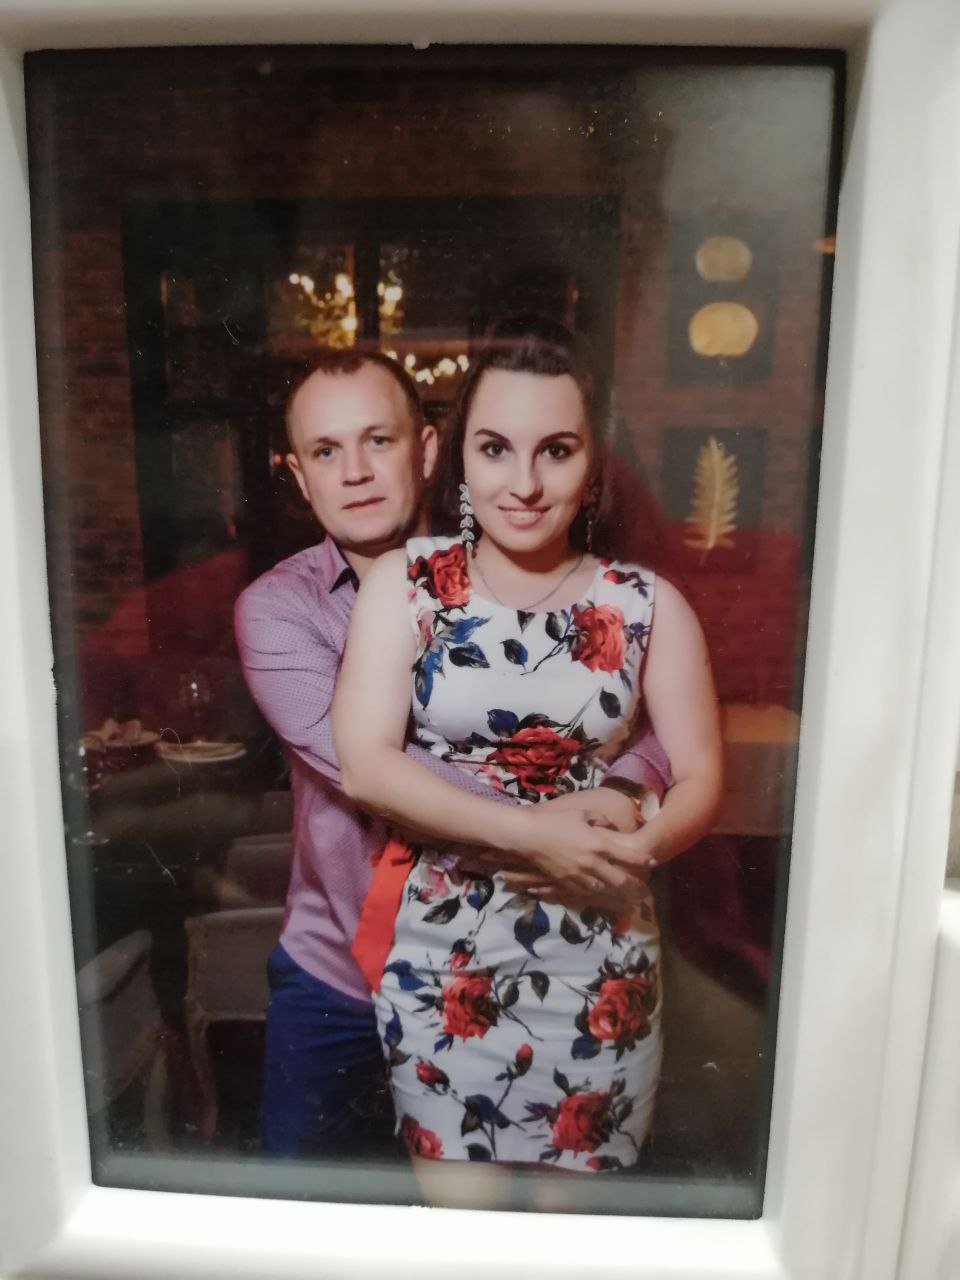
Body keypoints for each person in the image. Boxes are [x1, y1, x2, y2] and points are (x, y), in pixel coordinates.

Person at [234, 347, 673, 1158]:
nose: (355, 472)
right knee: (307, 1207)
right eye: (326, 451)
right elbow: (371, 769)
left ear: (430, 449)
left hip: (520, 958)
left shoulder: (526, 571)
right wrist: (556, 824)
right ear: (298, 477)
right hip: (339, 977)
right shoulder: (277, 610)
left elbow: (646, 714)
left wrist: (622, 787)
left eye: (379, 440)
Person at [332, 316, 722, 1187]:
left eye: (557, 450)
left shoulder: (648, 604)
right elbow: (365, 764)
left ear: (595, 462)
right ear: (459, 457)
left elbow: (700, 774)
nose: (525, 483)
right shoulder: (407, 583)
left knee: (570, 1240)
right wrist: (539, 836)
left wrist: (638, 849)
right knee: (460, 1234)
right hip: (445, 962)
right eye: (495, 449)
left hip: (602, 959)